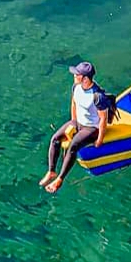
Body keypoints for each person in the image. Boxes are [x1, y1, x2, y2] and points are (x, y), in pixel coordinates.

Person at [39, 61, 107, 194]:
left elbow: (103, 118)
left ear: (86, 78)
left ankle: (60, 179)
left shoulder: (97, 96)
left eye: (77, 74)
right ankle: (52, 171)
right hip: (78, 122)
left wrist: (100, 139)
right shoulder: (76, 87)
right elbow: (74, 103)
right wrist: (73, 122)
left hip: (92, 128)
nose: (74, 76)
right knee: (55, 139)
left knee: (73, 146)